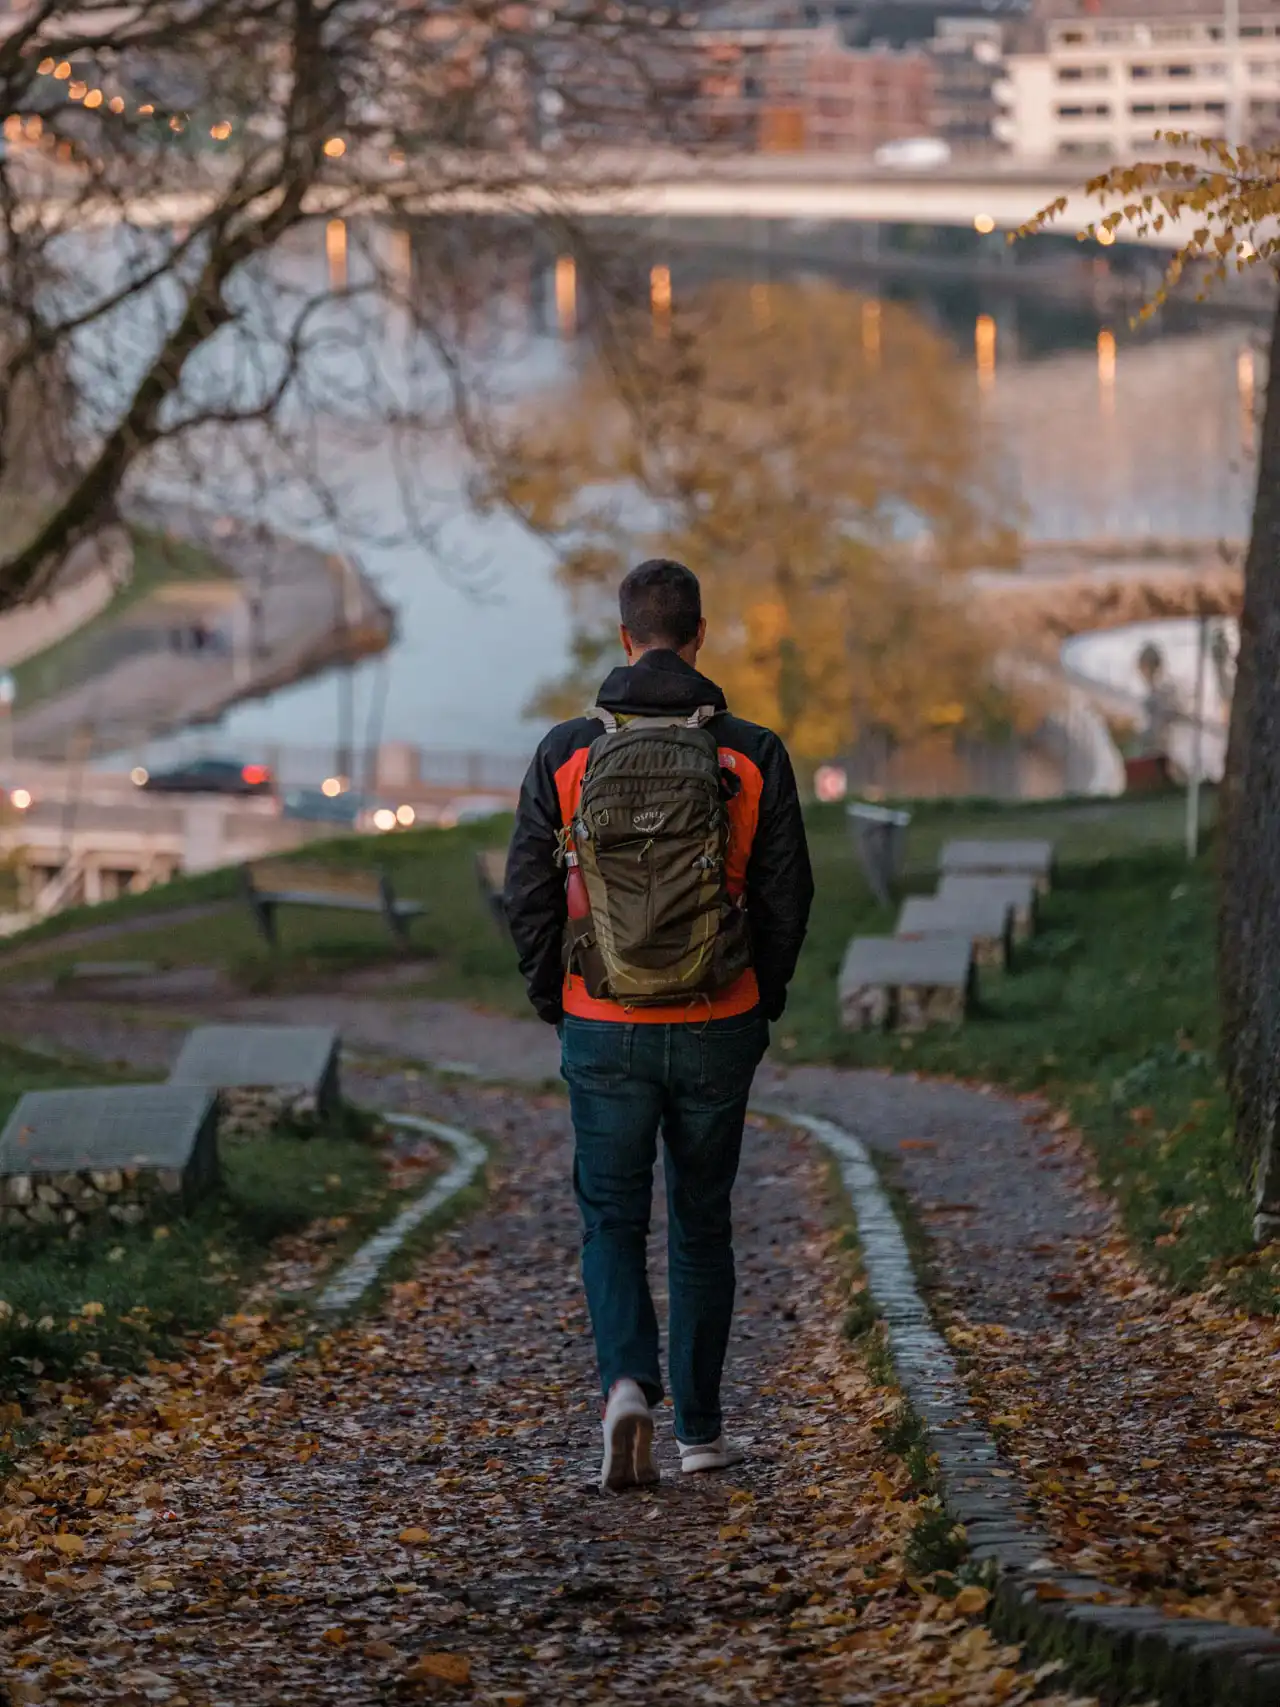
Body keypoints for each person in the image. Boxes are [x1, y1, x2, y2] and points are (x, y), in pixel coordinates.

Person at [505, 559, 813, 1492]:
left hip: (603, 1020)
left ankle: (626, 1388)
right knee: (702, 1222)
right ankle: (704, 1431)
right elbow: (786, 895)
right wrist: (764, 998)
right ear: (701, 634)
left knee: (610, 1217)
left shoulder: (566, 752)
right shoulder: (751, 753)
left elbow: (525, 891)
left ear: (625, 637)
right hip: (719, 1015)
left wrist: (555, 997)